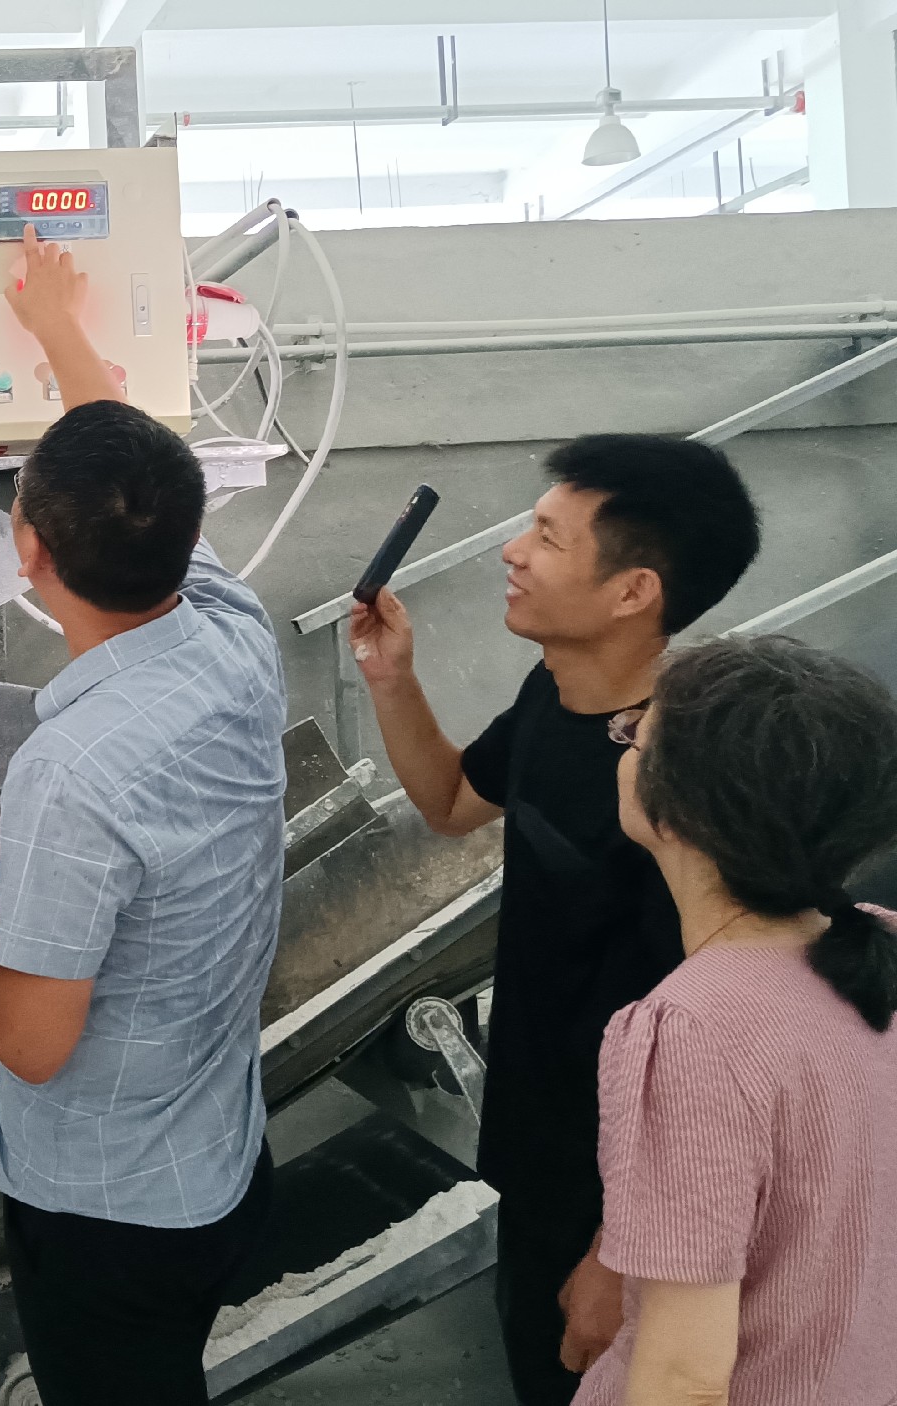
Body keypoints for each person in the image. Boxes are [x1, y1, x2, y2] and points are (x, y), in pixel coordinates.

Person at [0, 227, 287, 1406]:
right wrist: (58, 327)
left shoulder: (71, 768)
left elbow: (31, 1041)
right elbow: (142, 479)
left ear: (26, 547)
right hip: (216, 1161)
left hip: (109, 1211)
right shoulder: (234, 637)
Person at [348, 434, 762, 1404]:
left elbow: (712, 1052)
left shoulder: (679, 790)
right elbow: (454, 800)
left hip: (620, 1188)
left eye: (547, 537)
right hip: (532, 1129)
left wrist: (620, 1248)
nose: (513, 551)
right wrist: (392, 677)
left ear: (633, 591)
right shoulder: (556, 692)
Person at [573, 634, 897, 1404]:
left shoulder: (691, 1031)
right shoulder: (882, 945)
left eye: (636, 734)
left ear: (682, 809)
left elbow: (683, 1380)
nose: (624, 742)